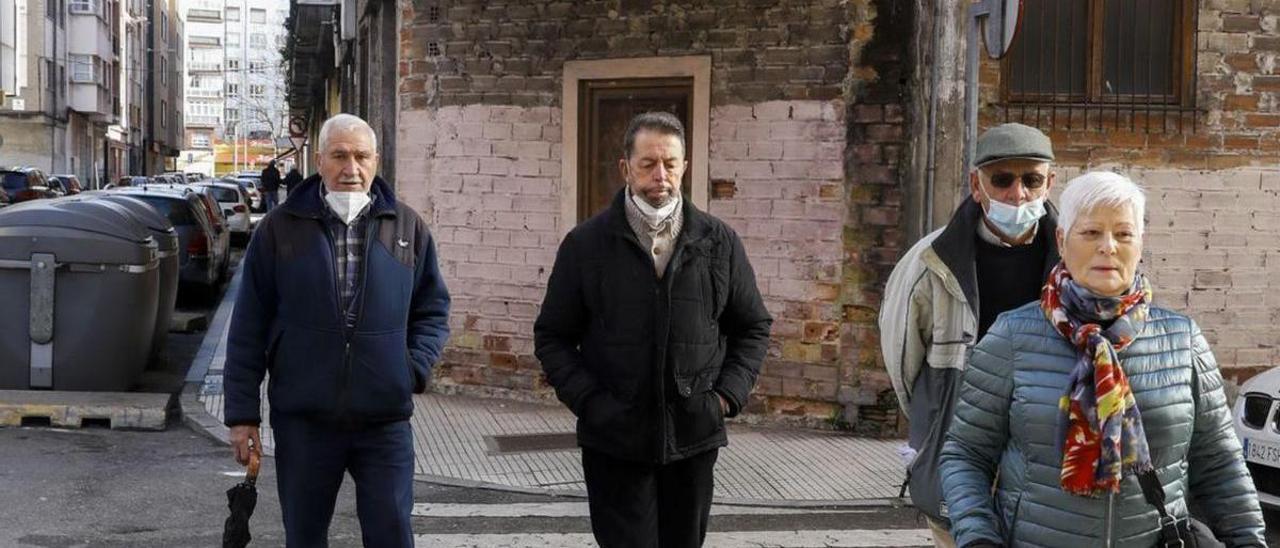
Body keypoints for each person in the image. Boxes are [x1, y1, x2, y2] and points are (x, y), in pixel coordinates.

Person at [939, 172, 1266, 547]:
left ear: (1140, 244)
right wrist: (979, 537)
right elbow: (965, 455)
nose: (1108, 247)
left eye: (1123, 234)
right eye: (1091, 233)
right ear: (1062, 241)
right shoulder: (1012, 337)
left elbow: (1220, 465)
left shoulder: (1182, 340)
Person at [534, 111, 773, 548]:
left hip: (694, 437)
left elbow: (753, 327)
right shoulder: (586, 245)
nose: (660, 175)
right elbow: (552, 336)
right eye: (648, 164)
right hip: (614, 442)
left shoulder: (718, 242)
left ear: (685, 166)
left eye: (671, 163)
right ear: (626, 168)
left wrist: (723, 399)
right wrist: (591, 403)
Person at [223, 113, 451, 547]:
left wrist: (411, 369)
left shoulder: (406, 228)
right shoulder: (279, 230)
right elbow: (249, 324)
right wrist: (242, 416)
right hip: (304, 420)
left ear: (376, 161)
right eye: (340, 156)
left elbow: (432, 309)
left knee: (392, 534)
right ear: (320, 161)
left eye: (362, 157)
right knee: (305, 537)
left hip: (383, 419)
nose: (352, 169)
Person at [879, 122, 1061, 547]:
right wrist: (935, 415)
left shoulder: (1074, 260)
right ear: (976, 186)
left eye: (1031, 180)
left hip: (1045, 457)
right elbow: (902, 363)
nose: (1018, 194)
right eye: (1002, 180)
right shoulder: (928, 262)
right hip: (962, 450)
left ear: (1049, 184)